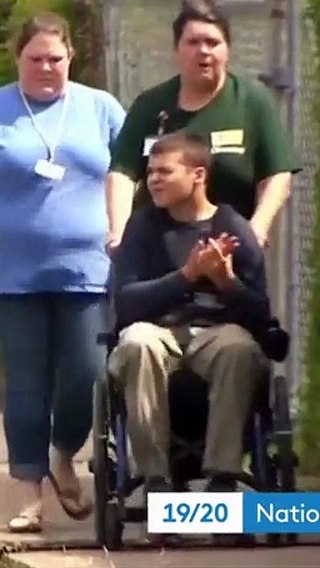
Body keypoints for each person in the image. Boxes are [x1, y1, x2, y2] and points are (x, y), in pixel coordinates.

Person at [0, 13, 125, 533]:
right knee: (27, 383)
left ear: (70, 57)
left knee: (88, 374)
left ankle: (63, 453)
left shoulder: (100, 109)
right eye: (36, 58)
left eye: (56, 58)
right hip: (12, 275)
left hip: (86, 271)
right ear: (18, 59)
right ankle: (28, 492)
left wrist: (124, 229)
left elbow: (128, 174)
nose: (47, 68)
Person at [109, 132, 271, 508]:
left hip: (216, 330)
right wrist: (186, 275)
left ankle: (222, 479)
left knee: (239, 348)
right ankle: (156, 479)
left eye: (165, 172)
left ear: (198, 175)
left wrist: (226, 282)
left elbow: (261, 312)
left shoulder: (233, 227)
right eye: (150, 172)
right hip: (157, 328)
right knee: (137, 342)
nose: (153, 180)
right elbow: (127, 302)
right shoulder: (142, 228)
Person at [105, 0, 300, 252]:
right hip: (157, 252)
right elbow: (122, 173)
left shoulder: (251, 102)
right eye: (193, 42)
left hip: (229, 249)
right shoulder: (151, 105)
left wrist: (257, 230)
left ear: (227, 50)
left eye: (213, 43)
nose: (203, 51)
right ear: (177, 50)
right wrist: (119, 232)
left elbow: (277, 176)